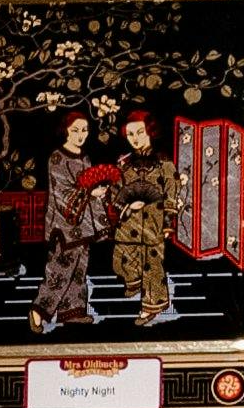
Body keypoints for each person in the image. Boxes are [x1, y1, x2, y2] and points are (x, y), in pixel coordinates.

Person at [32, 111, 104, 332]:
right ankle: (38, 311)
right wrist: (89, 194)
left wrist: (97, 197)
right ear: (66, 130)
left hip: (83, 225)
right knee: (59, 271)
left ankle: (72, 312)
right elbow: (62, 193)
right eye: (76, 130)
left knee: (79, 271)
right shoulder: (57, 157)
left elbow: (87, 187)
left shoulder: (85, 157)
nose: (80, 135)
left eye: (84, 130)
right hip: (64, 225)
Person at [110, 109, 177, 322]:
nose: (135, 139)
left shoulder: (163, 162)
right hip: (129, 219)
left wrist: (167, 222)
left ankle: (152, 305)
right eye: (130, 134)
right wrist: (125, 205)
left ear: (150, 131)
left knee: (153, 264)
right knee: (121, 260)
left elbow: (171, 193)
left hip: (153, 220)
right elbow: (116, 191)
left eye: (140, 132)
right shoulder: (124, 163)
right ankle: (133, 281)